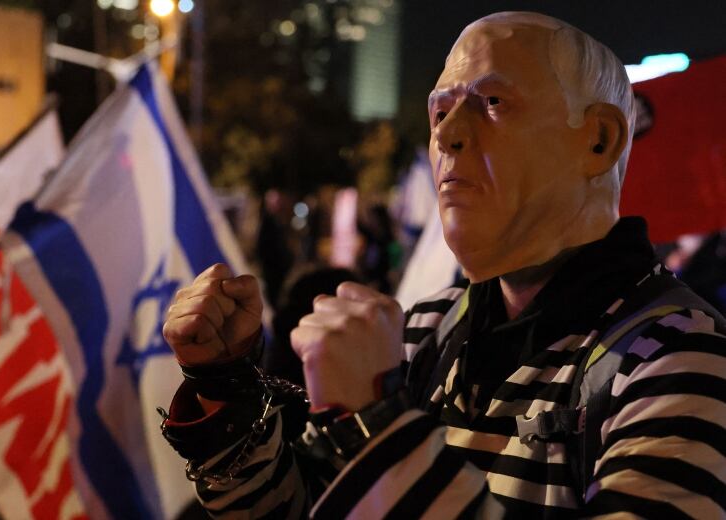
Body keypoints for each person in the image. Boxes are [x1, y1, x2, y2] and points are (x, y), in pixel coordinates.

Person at [161, 11, 726, 518]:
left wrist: (379, 423)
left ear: (599, 140)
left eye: (494, 102)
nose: (447, 135)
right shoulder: (425, 329)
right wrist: (224, 384)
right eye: (440, 110)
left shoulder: (681, 358)